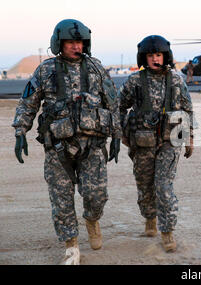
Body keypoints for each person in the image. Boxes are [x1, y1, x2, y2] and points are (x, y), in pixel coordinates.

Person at [12, 19, 121, 264]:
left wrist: (117, 135)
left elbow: (112, 104)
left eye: (79, 41)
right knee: (61, 199)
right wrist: (20, 131)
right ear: (59, 43)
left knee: (97, 195)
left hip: (92, 145)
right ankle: (71, 244)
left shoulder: (96, 68)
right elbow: (28, 102)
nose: (76, 46)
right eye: (71, 42)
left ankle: (92, 220)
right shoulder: (45, 70)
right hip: (58, 147)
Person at [119, 35, 194, 252]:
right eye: (151, 55)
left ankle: (168, 232)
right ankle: (149, 219)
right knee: (144, 185)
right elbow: (119, 107)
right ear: (144, 57)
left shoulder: (177, 79)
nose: (155, 59)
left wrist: (189, 138)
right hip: (142, 143)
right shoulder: (135, 81)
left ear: (165, 56)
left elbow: (188, 109)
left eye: (158, 54)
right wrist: (123, 133)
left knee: (164, 186)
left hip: (171, 141)